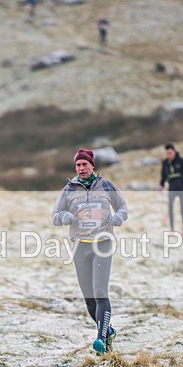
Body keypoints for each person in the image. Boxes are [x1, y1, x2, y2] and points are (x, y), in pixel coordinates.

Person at [53, 148, 128, 355]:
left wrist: (118, 218)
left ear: (92, 165)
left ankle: (100, 340)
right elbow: (55, 215)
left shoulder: (106, 186)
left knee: (100, 292)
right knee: (89, 300)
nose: (81, 168)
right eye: (78, 165)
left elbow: (122, 207)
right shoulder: (68, 190)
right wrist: (65, 217)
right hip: (80, 246)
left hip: (102, 243)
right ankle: (109, 330)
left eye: (84, 164)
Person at [158, 143, 183, 235]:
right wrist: (161, 185)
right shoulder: (165, 163)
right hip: (171, 189)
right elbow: (163, 175)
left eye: (170, 153)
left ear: (174, 151)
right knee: (170, 208)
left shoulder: (181, 161)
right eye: (167, 153)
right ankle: (172, 230)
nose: (169, 155)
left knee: (182, 210)